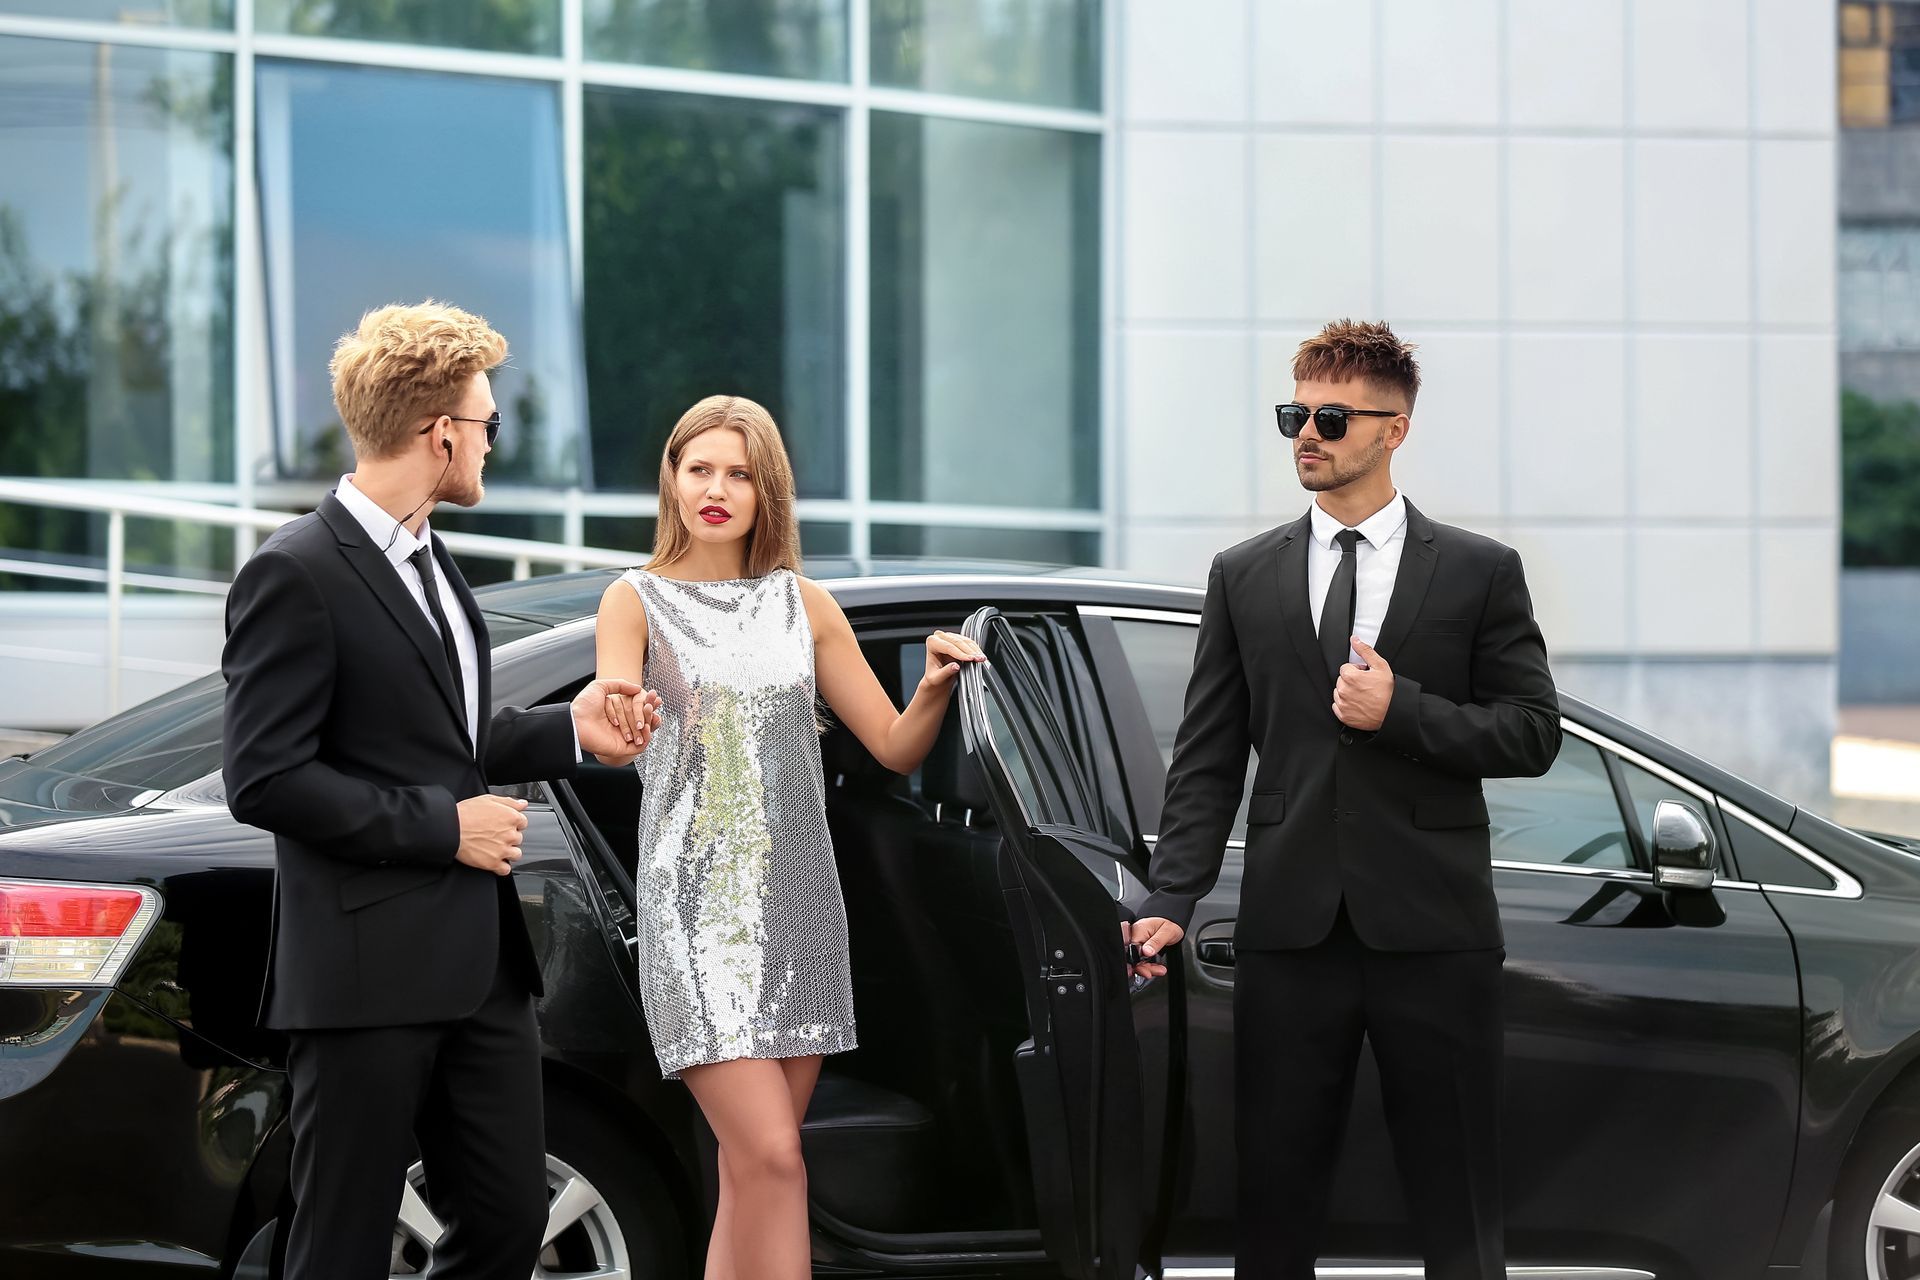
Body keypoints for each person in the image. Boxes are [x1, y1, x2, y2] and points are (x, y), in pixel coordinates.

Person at [222, 301, 661, 1280]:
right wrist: (442, 826)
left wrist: (572, 730)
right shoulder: (293, 572)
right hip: (362, 971)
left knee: (509, 1220)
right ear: (441, 431)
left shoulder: (432, 558)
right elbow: (263, 775)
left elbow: (442, 737)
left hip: (478, 967)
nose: (492, 444)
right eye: (489, 423)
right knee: (338, 1243)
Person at [1127, 320, 1561, 1280]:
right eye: (1294, 414)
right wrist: (1170, 898)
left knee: (1459, 1210)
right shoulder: (1244, 575)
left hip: (1436, 931)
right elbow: (1206, 757)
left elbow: (1533, 733)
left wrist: (1399, 710)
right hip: (1292, 933)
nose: (1305, 435)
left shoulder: (1480, 571)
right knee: (1274, 1209)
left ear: (1394, 428)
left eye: (1329, 416)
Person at [592, 394, 983, 1280]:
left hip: (799, 906)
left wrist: (930, 688)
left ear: (767, 491)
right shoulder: (635, 599)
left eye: (738, 473)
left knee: (750, 1173)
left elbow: (890, 745)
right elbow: (614, 710)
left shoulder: (803, 603)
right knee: (773, 1156)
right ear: (673, 479)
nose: (717, 489)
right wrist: (623, 712)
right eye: (700, 470)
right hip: (693, 911)